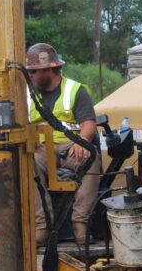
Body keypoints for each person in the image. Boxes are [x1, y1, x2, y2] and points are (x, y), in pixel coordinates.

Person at [25, 42, 101, 247]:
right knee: (26, 165)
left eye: (33, 71)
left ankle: (80, 221)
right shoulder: (27, 95)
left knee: (91, 158)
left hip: (70, 147)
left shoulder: (76, 90)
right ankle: (42, 227)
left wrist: (83, 142)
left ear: (49, 69)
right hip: (42, 149)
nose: (30, 75)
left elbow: (88, 123)